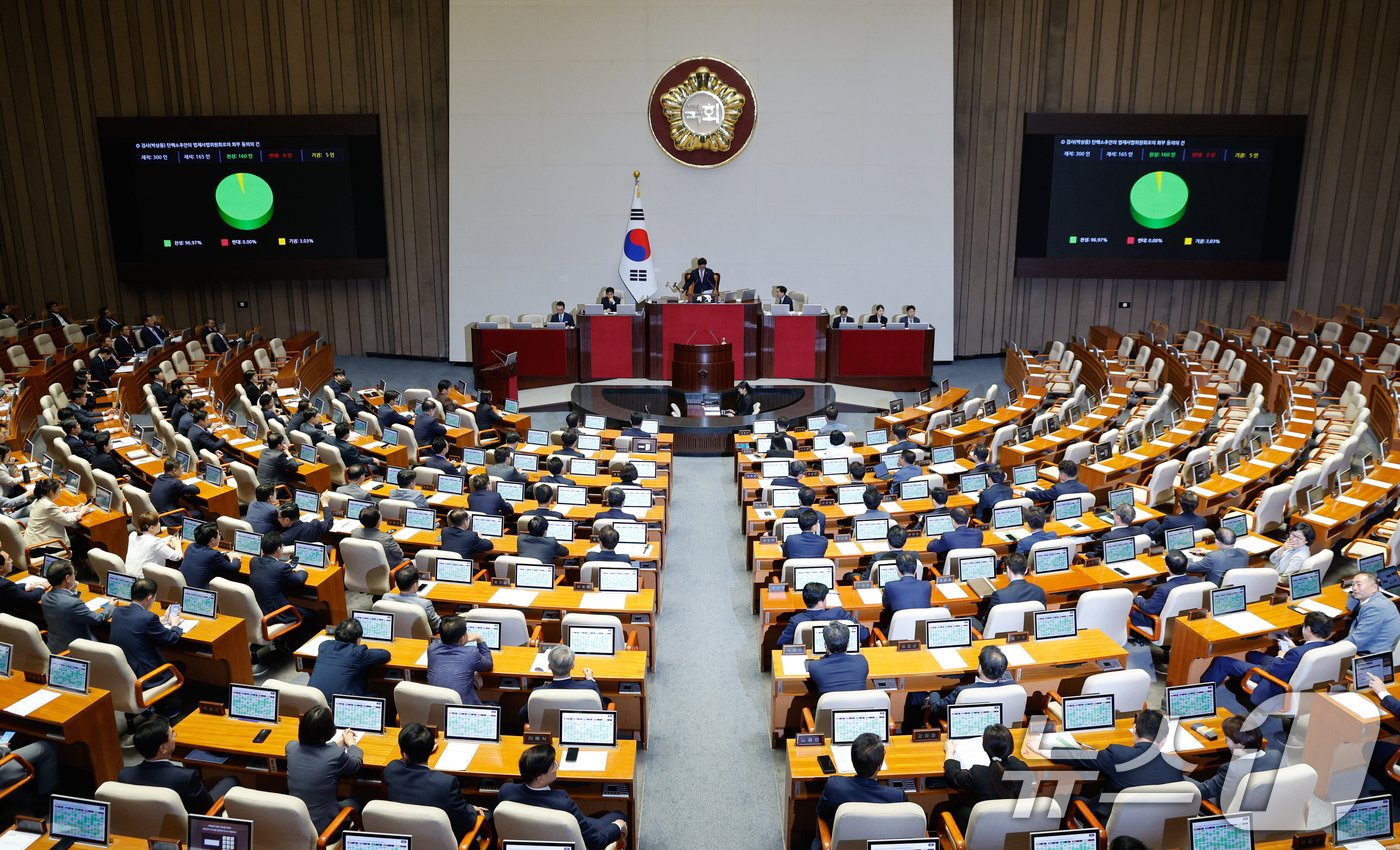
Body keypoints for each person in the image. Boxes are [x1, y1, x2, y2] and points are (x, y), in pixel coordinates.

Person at [1046, 710, 1184, 816]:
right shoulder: (1174, 766)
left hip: (1109, 823)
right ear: (1164, 739)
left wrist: (1044, 747)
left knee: (1062, 799)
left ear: (1135, 729)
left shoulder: (1117, 755)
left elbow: (1077, 756)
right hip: (1155, 827)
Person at [497, 744, 627, 850]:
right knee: (618, 815)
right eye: (553, 765)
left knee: (602, 814)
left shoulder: (505, 791)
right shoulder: (563, 804)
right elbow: (596, 842)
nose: (557, 766)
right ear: (540, 778)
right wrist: (617, 826)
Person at [120, 715, 238, 812]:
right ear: (163, 748)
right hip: (188, 826)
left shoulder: (124, 775)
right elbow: (207, 809)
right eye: (173, 734)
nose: (175, 737)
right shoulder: (186, 777)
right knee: (231, 781)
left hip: (152, 825)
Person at [385, 723, 481, 841]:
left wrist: (415, 749)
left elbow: (401, 761)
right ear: (431, 749)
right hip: (442, 842)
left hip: (405, 839)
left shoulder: (391, 770)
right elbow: (467, 823)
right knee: (487, 814)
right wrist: (470, 807)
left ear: (403, 753)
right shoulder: (446, 783)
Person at [286, 705, 363, 835]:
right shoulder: (336, 755)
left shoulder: (290, 747)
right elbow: (355, 764)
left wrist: (339, 742)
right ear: (329, 730)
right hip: (326, 830)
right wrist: (351, 744)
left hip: (296, 824)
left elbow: (318, 750)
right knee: (358, 801)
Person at [939, 723, 1029, 832]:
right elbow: (1012, 760)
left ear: (984, 748)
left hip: (985, 827)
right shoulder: (1022, 768)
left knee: (952, 807)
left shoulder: (978, 773)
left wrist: (949, 751)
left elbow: (953, 776)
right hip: (1013, 827)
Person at [814, 732, 905, 834]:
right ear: (879, 766)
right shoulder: (896, 797)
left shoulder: (834, 786)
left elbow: (821, 812)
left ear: (852, 760)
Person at [908, 646, 1013, 731]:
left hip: (961, 727)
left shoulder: (963, 693)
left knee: (915, 695)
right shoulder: (1012, 686)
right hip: (997, 731)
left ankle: (907, 730)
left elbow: (936, 708)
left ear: (980, 668)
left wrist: (934, 694)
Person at [249, 531, 316, 658]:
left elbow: (270, 571)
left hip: (259, 609)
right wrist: (302, 570)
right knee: (313, 615)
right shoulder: (280, 568)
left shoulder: (254, 561)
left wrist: (284, 566)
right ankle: (291, 644)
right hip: (276, 614)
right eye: (282, 546)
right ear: (278, 549)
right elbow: (299, 581)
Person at [1190, 715, 1282, 807]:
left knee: (1180, 777)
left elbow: (1201, 792)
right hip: (1267, 806)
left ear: (1240, 745)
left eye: (1227, 739)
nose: (1225, 742)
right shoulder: (1276, 755)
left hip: (1230, 811)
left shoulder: (1231, 770)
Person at [109, 578, 183, 688]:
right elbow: (170, 639)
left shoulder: (117, 611)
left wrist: (163, 619)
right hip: (147, 676)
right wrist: (175, 625)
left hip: (125, 671)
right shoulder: (148, 618)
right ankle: (170, 702)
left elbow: (138, 623)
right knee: (181, 666)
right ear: (149, 598)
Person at [309, 618, 392, 701]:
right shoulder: (358, 653)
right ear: (358, 639)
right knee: (379, 695)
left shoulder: (324, 646)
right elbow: (385, 654)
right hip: (340, 705)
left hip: (314, 701)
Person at [40, 559, 111, 652]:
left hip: (54, 645)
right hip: (74, 649)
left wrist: (72, 589)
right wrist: (111, 606)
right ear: (68, 578)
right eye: (74, 573)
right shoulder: (73, 603)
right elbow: (96, 619)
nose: (75, 576)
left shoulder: (45, 597)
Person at [520, 645, 601, 720]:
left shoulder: (538, 692)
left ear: (549, 667)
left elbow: (522, 715)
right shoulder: (589, 686)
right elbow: (602, 708)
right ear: (572, 666)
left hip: (549, 733)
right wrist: (591, 679)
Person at [776, 582, 869, 646]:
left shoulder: (796, 620)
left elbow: (781, 643)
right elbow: (864, 635)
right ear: (820, 603)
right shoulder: (838, 613)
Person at [427, 616, 494, 703]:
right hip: (462, 709)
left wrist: (472, 671)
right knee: (495, 704)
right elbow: (489, 665)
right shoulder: (471, 652)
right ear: (462, 638)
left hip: (437, 707)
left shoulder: (432, 649)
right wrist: (479, 639)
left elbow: (451, 665)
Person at [1130, 550, 1199, 629]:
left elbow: (1148, 609)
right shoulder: (1196, 580)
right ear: (1186, 566)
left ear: (1167, 568)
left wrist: (1137, 597)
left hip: (1157, 622)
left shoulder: (1164, 589)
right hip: (1183, 620)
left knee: (1127, 608)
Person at [1342, 571, 1400, 654]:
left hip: (1373, 655)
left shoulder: (1375, 608)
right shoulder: (1380, 599)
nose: (1354, 588)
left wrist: (1331, 650)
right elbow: (1352, 605)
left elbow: (1356, 640)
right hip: (1385, 648)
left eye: (1359, 584)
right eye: (1353, 584)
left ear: (1374, 588)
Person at [25, 477, 92, 549]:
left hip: (32, 541)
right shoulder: (48, 506)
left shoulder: (39, 500)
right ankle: (70, 557)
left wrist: (73, 509)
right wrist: (82, 512)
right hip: (41, 546)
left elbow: (51, 513)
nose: (61, 491)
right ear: (51, 492)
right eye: (59, 489)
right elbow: (68, 521)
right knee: (81, 540)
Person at [979, 553, 1044, 622]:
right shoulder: (1039, 591)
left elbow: (987, 621)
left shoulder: (999, 595)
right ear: (1026, 570)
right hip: (1030, 631)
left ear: (1008, 569)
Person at [806, 621, 868, 695]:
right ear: (848, 644)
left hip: (828, 706)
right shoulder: (862, 661)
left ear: (825, 646)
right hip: (858, 706)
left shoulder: (814, 666)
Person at [123, 511, 182, 577]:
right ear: (152, 528)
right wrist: (178, 545)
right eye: (158, 522)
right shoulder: (154, 542)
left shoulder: (132, 535)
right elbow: (177, 557)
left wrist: (165, 541)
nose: (160, 524)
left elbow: (146, 544)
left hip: (128, 574)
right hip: (144, 579)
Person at [149, 458, 200, 527]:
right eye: (181, 468)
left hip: (158, 514)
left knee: (185, 507)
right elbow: (196, 490)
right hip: (168, 518)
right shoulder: (175, 483)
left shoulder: (160, 477)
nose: (183, 470)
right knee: (198, 513)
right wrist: (187, 485)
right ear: (174, 470)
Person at [393, 566, 442, 634]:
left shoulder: (386, 598)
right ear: (415, 585)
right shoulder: (424, 604)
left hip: (397, 634)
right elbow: (437, 625)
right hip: (421, 638)